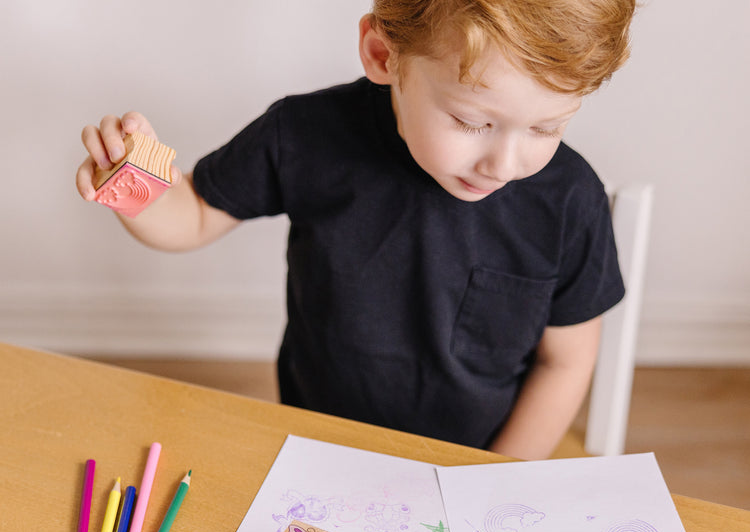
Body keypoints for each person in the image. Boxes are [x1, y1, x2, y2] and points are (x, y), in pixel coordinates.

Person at [76, 0, 636, 460]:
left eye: (547, 127)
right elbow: (193, 214)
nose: (504, 164)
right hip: (317, 443)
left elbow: (565, 361)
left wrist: (492, 477)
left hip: (474, 460)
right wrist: (135, 184)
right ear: (383, 55)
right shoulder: (304, 135)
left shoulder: (569, 200)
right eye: (471, 122)